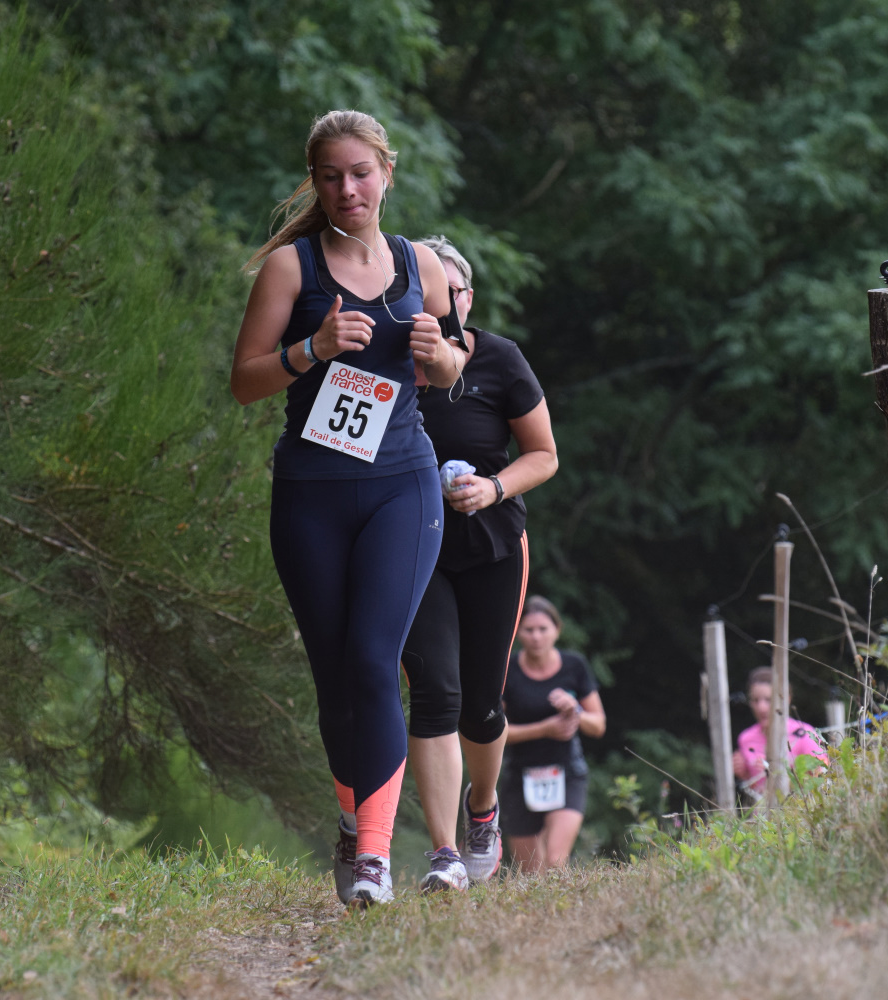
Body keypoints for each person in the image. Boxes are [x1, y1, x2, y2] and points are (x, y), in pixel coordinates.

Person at [230, 110, 466, 908]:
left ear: (387, 174)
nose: (347, 189)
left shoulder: (422, 265)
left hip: (402, 486)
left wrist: (440, 358)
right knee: (336, 678)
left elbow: (454, 366)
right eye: (330, 177)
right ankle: (351, 814)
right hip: (312, 493)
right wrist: (313, 350)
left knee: (373, 661)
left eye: (360, 173)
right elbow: (244, 381)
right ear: (315, 183)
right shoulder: (291, 270)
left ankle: (373, 857)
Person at [400, 237, 558, 893]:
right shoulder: (386, 359)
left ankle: (482, 808)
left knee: (482, 704)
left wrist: (493, 488)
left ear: (466, 299)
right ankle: (443, 852)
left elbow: (544, 455)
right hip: (413, 548)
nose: (440, 303)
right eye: (426, 291)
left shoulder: (499, 358)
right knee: (436, 691)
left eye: (451, 291)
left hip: (492, 544)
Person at [499, 596, 605, 872]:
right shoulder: (506, 669)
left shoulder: (574, 665)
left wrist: (576, 710)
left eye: (543, 629)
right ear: (517, 633)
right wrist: (544, 729)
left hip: (567, 772)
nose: (536, 637)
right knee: (531, 872)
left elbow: (598, 725)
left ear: (557, 630)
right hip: (520, 776)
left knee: (556, 861)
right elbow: (495, 733)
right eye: (529, 630)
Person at [732, 667, 829, 795]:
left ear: (786, 699)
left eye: (768, 700)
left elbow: (824, 778)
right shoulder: (746, 738)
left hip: (799, 805)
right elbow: (756, 789)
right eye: (755, 700)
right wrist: (744, 774)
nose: (761, 707)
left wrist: (777, 770)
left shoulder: (804, 734)